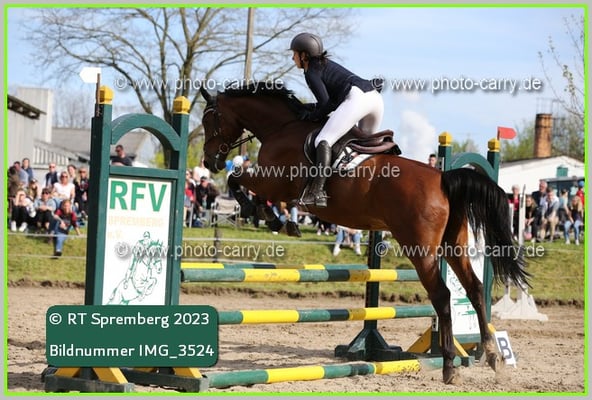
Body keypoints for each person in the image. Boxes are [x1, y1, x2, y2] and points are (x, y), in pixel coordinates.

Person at [290, 32, 384, 207]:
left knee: (322, 140)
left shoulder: (311, 71)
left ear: (304, 55)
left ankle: (317, 192)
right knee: (364, 148)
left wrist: (310, 116)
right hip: (375, 99)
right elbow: (330, 102)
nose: (292, 58)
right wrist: (311, 108)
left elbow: (326, 105)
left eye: (294, 53)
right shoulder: (324, 64)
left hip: (357, 99)